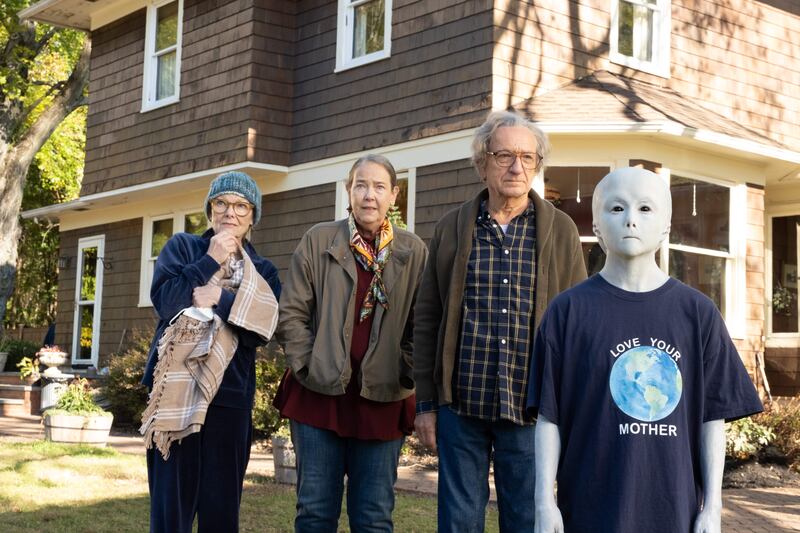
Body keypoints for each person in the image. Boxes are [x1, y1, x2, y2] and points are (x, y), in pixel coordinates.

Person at [527, 167, 763, 533]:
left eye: (645, 209)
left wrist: (713, 508)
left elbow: (711, 420)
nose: (631, 220)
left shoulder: (698, 314)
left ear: (666, 227)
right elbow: (548, 418)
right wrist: (544, 502)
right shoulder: (567, 312)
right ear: (597, 225)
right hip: (589, 510)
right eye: (617, 209)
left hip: (674, 511)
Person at [412, 110, 586, 532]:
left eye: (527, 157)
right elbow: (427, 318)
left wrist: (572, 404)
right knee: (458, 523)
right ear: (482, 162)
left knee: (526, 521)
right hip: (462, 406)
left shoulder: (560, 231)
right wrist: (426, 404)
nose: (516, 167)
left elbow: (579, 323)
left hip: (530, 409)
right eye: (505, 154)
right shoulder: (452, 228)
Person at [274, 154, 427, 532]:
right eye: (361, 185)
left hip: (383, 401)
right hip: (318, 398)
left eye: (378, 187)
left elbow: (423, 325)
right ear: (348, 190)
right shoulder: (319, 240)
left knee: (374, 519)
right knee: (314, 514)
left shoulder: (413, 251)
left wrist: (406, 369)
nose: (369, 195)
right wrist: (308, 364)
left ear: (394, 195)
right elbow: (291, 312)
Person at [141, 171, 281, 533]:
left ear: (253, 216)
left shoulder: (263, 272)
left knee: (220, 516)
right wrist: (209, 260)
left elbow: (262, 329)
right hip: (175, 396)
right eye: (221, 203)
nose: (229, 213)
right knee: (171, 514)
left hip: (229, 400)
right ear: (209, 210)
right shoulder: (183, 247)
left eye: (240, 205)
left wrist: (220, 298)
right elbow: (166, 302)